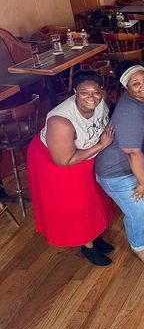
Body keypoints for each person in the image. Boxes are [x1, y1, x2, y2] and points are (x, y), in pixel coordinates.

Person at [28, 70, 115, 266]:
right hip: (56, 162)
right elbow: (64, 160)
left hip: (85, 155)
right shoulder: (60, 121)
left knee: (95, 197)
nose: (91, 98)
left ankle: (95, 235)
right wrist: (102, 145)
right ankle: (87, 245)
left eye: (96, 92)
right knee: (78, 205)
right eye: (84, 93)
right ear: (75, 91)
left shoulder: (101, 101)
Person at [95, 62, 144, 263]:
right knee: (140, 210)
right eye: (136, 83)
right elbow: (132, 152)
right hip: (119, 171)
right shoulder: (128, 112)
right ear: (127, 88)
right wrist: (143, 182)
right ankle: (139, 246)